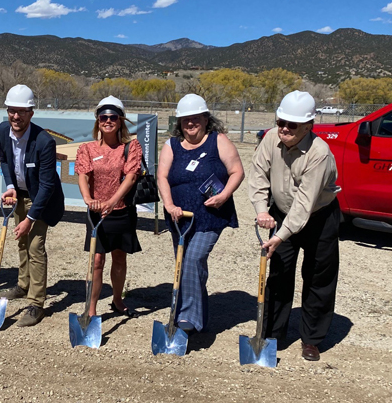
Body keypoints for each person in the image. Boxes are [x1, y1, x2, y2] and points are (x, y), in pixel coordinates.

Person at [248, 90, 341, 362]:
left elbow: (304, 203)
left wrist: (281, 236)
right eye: (280, 122)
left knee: (318, 278)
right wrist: (262, 210)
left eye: (292, 125)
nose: (284, 129)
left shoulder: (319, 153)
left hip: (318, 217)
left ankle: (311, 339)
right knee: (278, 272)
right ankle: (273, 332)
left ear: (309, 126)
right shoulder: (270, 139)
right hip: (280, 211)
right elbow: (257, 176)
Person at [156, 93, 244, 335]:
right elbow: (162, 176)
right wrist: (169, 204)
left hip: (210, 216)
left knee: (193, 259)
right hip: (179, 217)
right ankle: (195, 313)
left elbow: (237, 171)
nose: (190, 124)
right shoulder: (171, 145)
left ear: (206, 119)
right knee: (184, 265)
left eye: (196, 118)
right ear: (179, 122)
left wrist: (224, 195)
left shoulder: (218, 141)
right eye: (185, 120)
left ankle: (188, 320)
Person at [0, 84, 65, 327]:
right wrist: (10, 186)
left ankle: (36, 303)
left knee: (35, 246)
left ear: (31, 113)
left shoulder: (44, 142)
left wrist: (30, 218)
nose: (16, 116)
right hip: (20, 194)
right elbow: (5, 161)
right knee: (21, 241)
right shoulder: (3, 130)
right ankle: (23, 285)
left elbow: (46, 186)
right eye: (12, 110)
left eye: (22, 111)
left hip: (41, 198)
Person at [75, 96, 142, 318]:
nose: (108, 121)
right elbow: (83, 175)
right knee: (97, 260)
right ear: (98, 121)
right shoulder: (87, 148)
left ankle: (117, 299)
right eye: (103, 117)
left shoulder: (131, 146)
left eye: (113, 117)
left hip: (121, 212)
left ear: (120, 120)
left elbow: (131, 177)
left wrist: (112, 202)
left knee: (120, 257)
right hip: (96, 213)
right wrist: (87, 198)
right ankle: (91, 309)